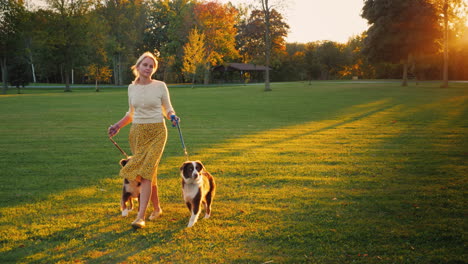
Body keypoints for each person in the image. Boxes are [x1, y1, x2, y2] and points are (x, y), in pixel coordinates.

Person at [108, 52, 179, 229]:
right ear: (138, 66)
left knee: (146, 171)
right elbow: (131, 113)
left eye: (151, 66)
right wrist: (117, 126)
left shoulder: (160, 86)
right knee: (149, 173)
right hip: (137, 133)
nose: (148, 68)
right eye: (145, 65)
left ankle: (141, 216)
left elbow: (168, 108)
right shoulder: (131, 88)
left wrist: (172, 116)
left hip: (157, 132)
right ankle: (157, 208)